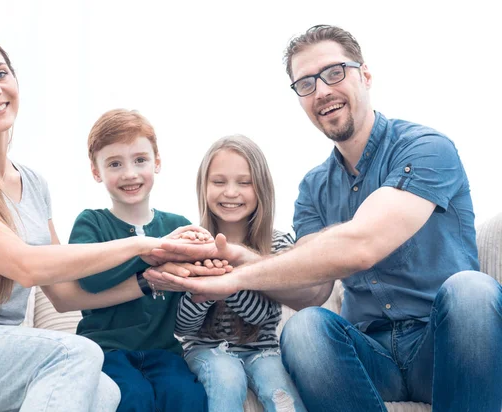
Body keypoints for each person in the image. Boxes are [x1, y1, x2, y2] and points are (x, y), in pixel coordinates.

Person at [145, 25, 502, 412]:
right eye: (306, 84)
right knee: (305, 327)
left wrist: (235, 278)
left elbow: (363, 244)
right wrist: (242, 258)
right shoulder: (314, 187)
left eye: (334, 73)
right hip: (370, 353)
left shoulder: (425, 147)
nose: (322, 91)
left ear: (365, 75)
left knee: (472, 289)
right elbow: (312, 291)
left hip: (444, 345)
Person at [0, 32, 187, 412]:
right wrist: (144, 244)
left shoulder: (33, 184)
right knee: (75, 355)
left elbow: (66, 296)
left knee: (107, 394)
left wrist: (148, 281)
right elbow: (26, 266)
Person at [54, 109, 211, 412]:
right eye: (115, 163)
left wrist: (203, 259)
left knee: (188, 398)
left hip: (165, 352)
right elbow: (90, 278)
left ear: (157, 162)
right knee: (130, 398)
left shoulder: (176, 225)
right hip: (106, 351)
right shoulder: (90, 223)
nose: (129, 173)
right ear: (96, 171)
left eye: (140, 160)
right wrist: (149, 253)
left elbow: (193, 286)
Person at [172, 135, 306, 412]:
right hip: (204, 350)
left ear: (261, 189)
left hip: (263, 350)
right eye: (219, 182)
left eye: (244, 183)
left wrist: (224, 283)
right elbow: (182, 327)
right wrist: (204, 293)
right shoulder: (190, 243)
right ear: (204, 187)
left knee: (282, 395)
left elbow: (261, 316)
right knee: (227, 377)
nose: (230, 192)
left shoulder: (278, 245)